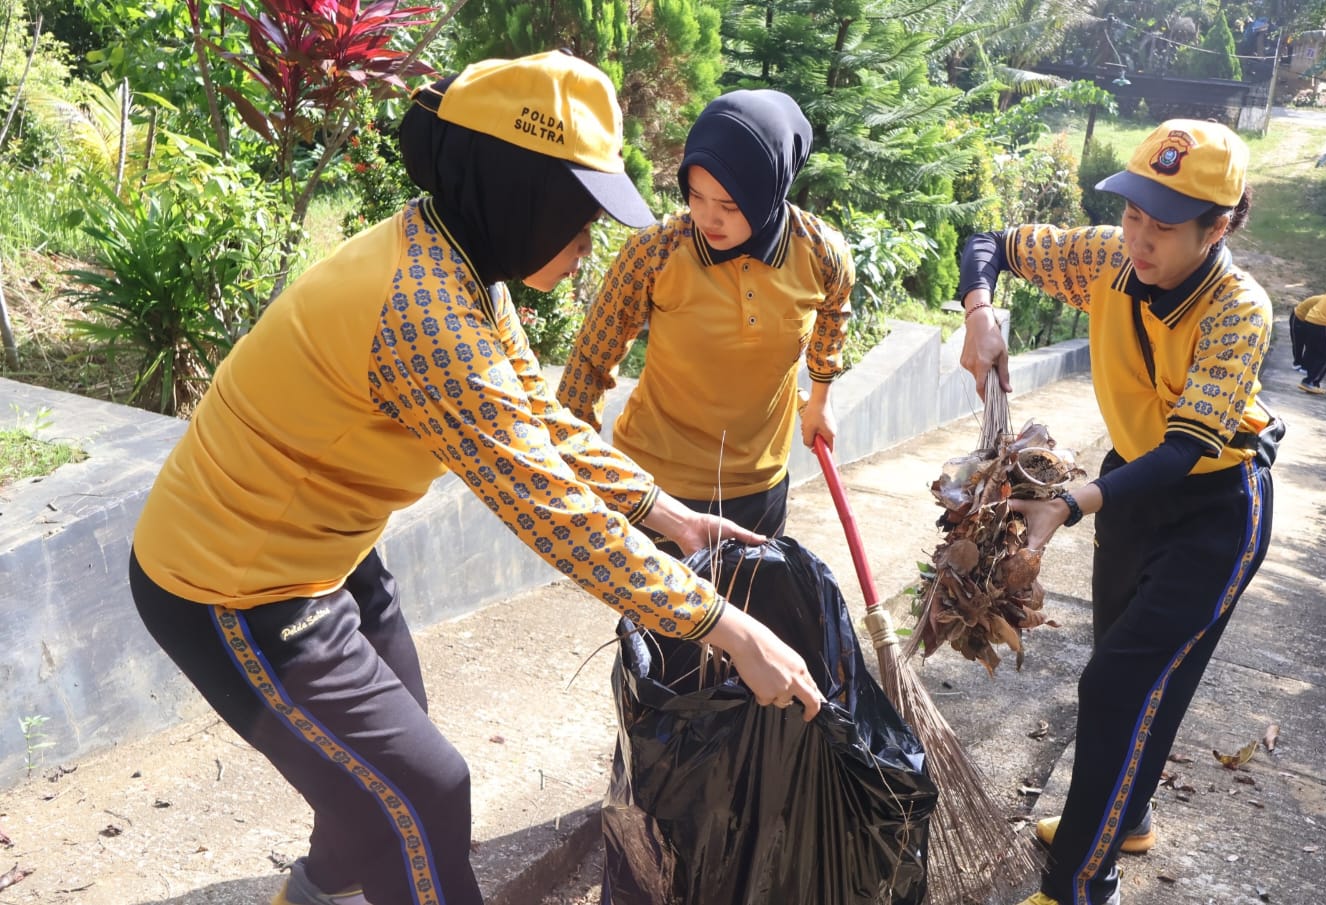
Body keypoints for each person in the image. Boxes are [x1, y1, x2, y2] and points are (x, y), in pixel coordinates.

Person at [127, 52, 823, 905]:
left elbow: (544, 417)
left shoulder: (461, 264)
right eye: (574, 213)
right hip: (232, 581)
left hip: (327, 549)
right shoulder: (424, 311)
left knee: (377, 774)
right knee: (422, 793)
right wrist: (731, 630)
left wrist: (668, 512)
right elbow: (551, 509)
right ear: (516, 187)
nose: (584, 243)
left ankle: (313, 890)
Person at [956, 120, 1276, 905]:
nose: (1139, 237)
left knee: (1117, 683)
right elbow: (987, 238)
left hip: (1213, 508)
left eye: (1164, 226)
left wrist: (1065, 504)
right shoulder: (1107, 257)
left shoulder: (1239, 308)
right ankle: (1125, 816)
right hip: (1129, 487)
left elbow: (1186, 449)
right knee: (1133, 674)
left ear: (1219, 227)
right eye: (1133, 212)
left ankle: (1081, 884)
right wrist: (979, 310)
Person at [557, 89, 853, 550]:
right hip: (656, 487)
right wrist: (572, 461)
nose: (708, 218)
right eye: (696, 196)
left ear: (769, 191)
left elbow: (835, 311)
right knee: (658, 622)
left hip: (760, 487)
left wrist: (821, 398)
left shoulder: (818, 251)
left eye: (729, 206)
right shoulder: (655, 253)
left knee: (750, 618)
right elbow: (593, 357)